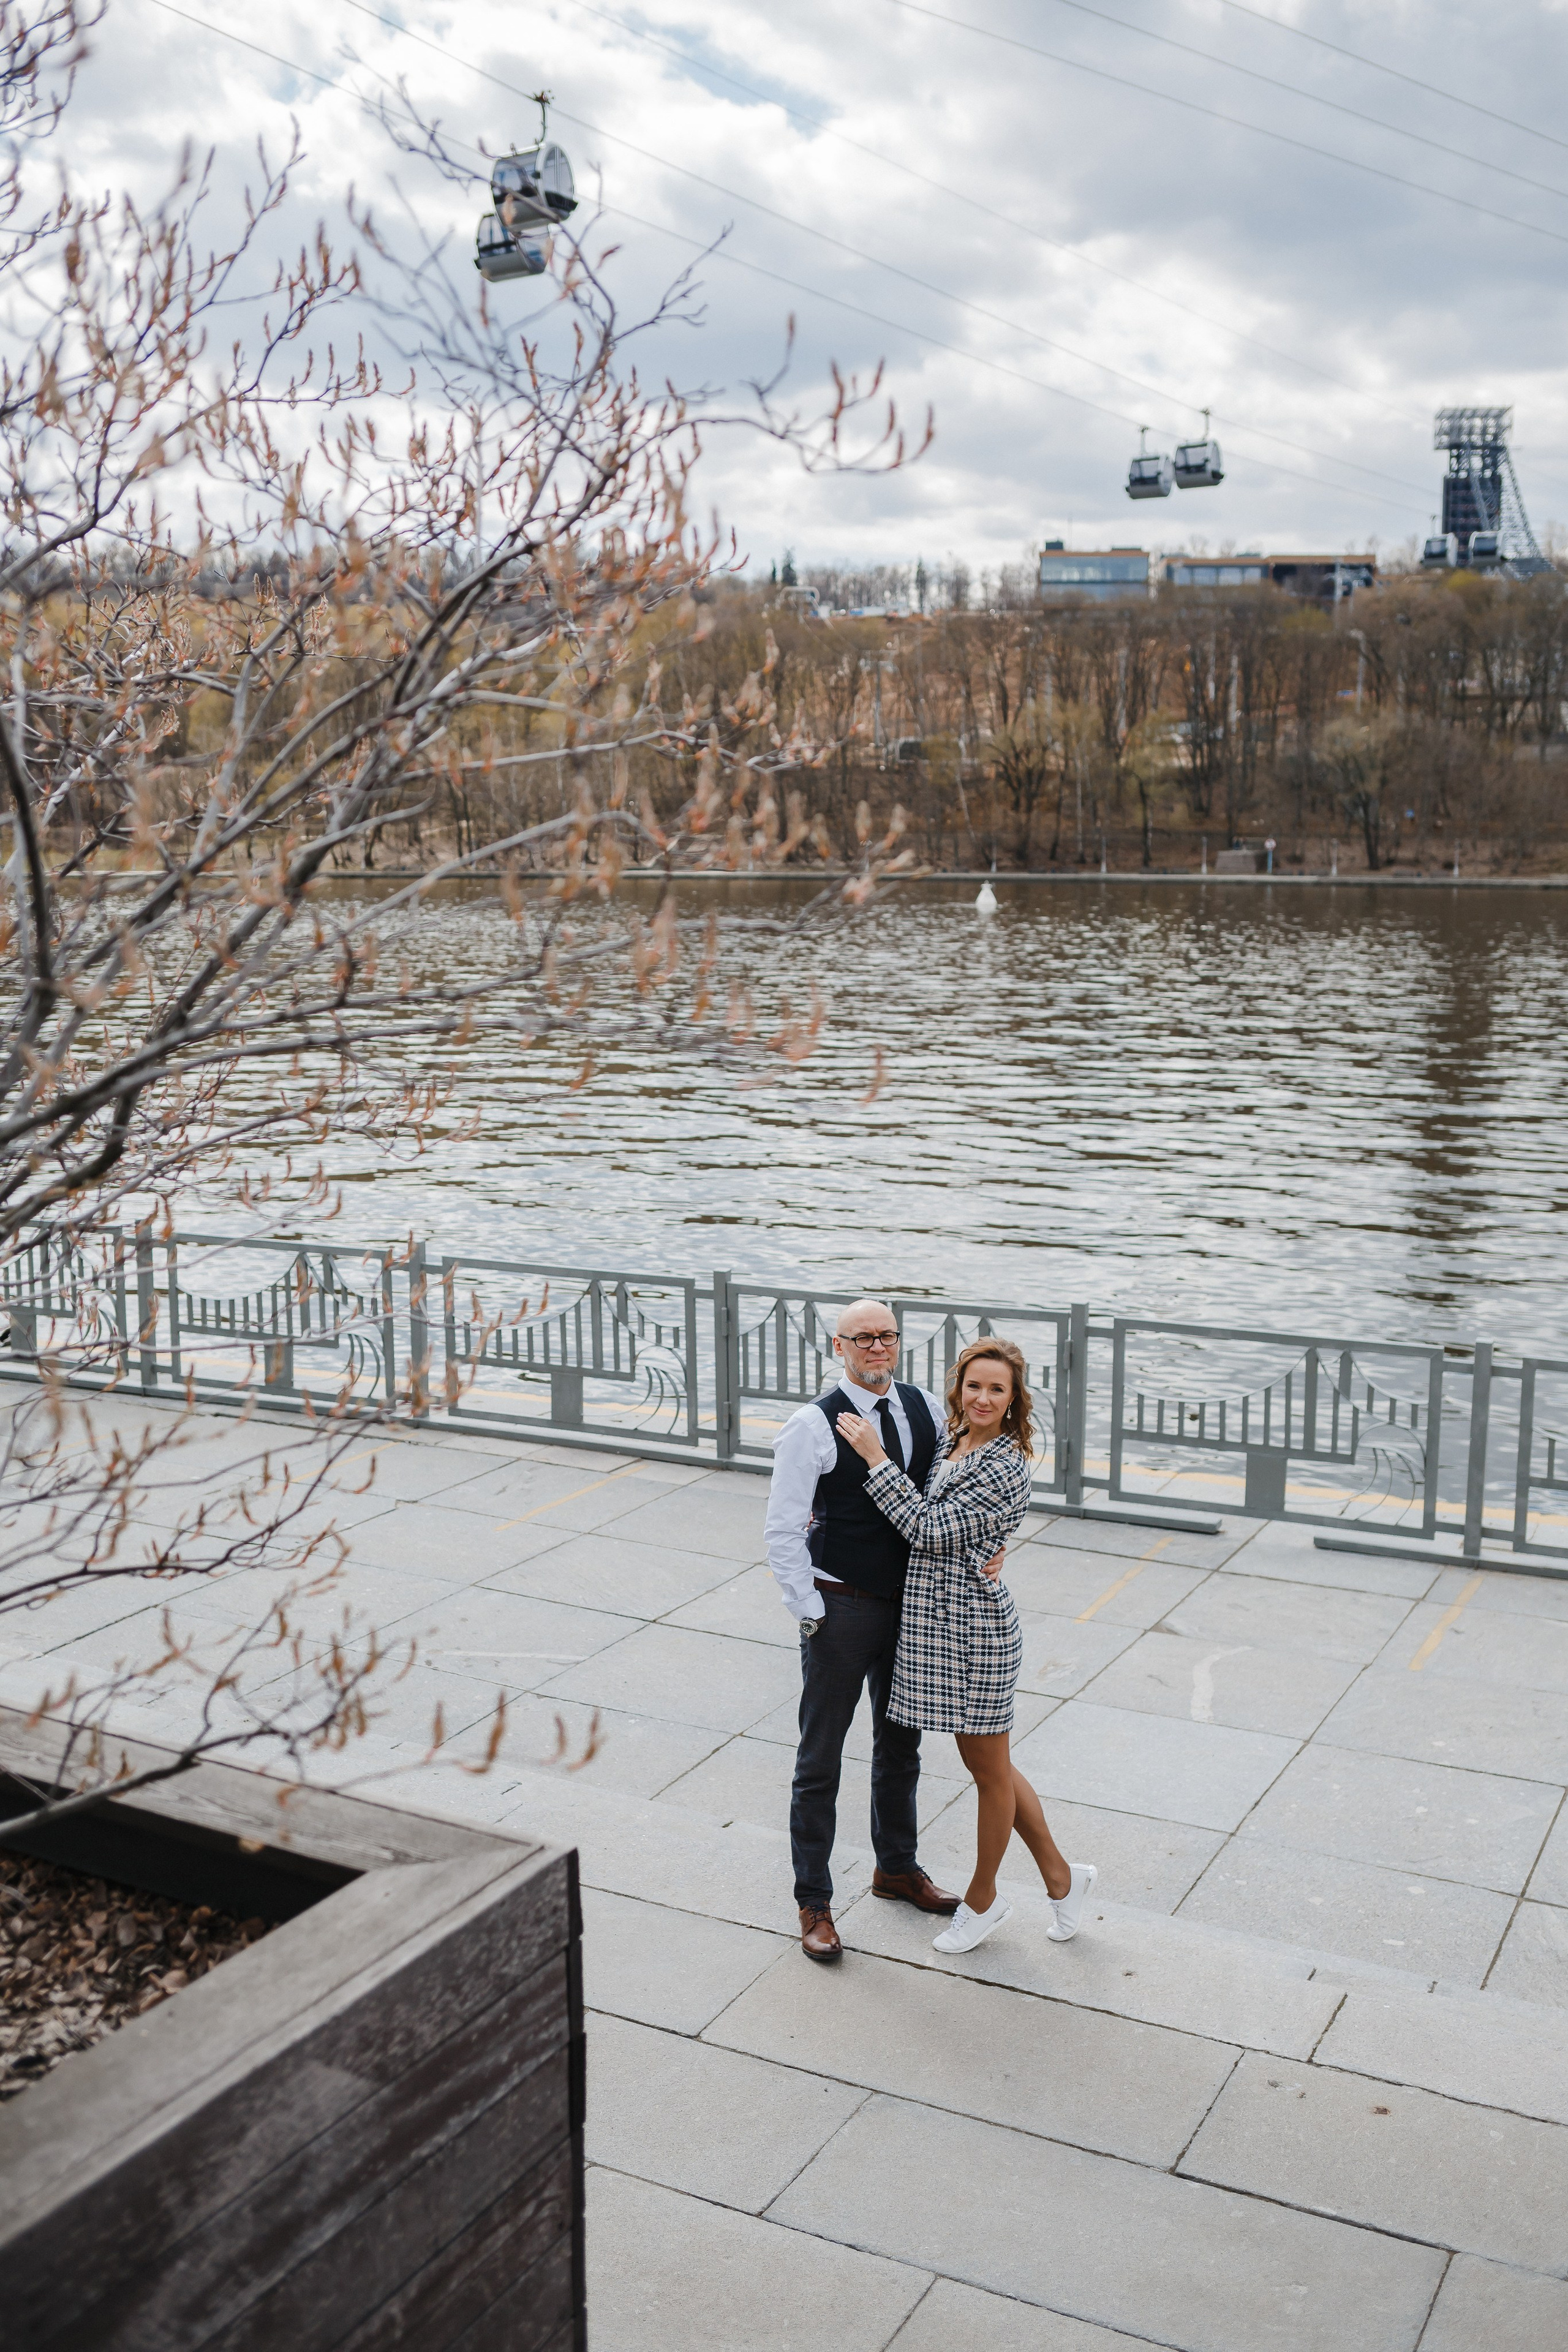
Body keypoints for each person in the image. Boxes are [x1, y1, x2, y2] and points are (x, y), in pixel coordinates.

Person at [837, 1335, 1097, 1955]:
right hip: (941, 1625)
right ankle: (1063, 1878)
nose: (982, 1398)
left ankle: (983, 1899)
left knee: (987, 1771)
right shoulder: (956, 1441)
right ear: (959, 1387)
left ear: (1014, 1400)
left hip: (974, 1633)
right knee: (993, 1766)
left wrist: (875, 1459)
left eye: (996, 1389)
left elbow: (927, 1528)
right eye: (974, 1385)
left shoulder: (1003, 1463)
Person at [766, 1297, 973, 1962]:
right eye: (863, 1338)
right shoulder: (812, 1425)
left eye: (887, 1336)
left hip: (907, 1606)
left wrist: (987, 1549)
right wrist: (811, 1611)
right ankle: (814, 1902)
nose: (877, 1347)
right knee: (819, 1759)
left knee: (900, 1747)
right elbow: (782, 1528)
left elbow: (944, 1495)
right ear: (838, 1347)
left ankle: (895, 1870)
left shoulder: (922, 1407)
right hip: (841, 1606)